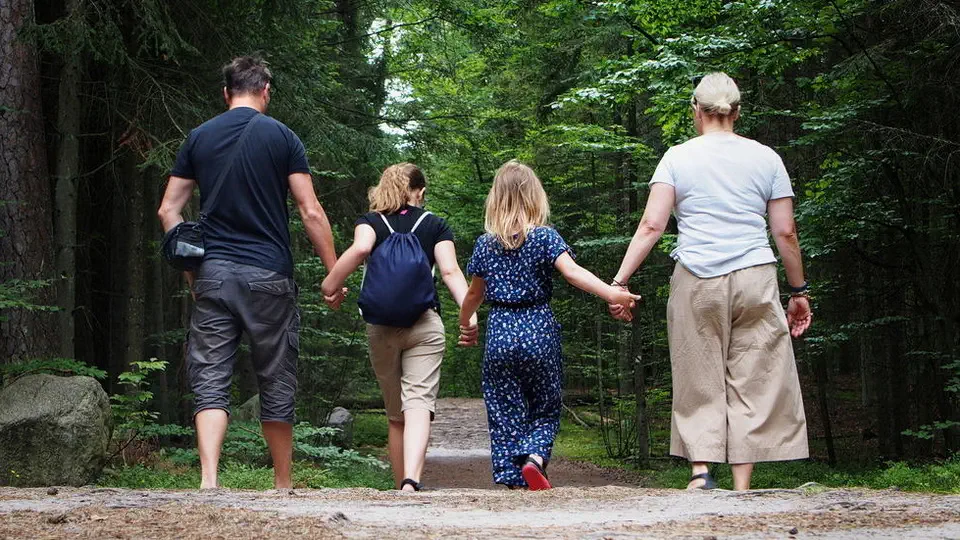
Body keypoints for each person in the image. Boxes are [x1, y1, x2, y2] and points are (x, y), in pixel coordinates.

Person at [608, 72, 812, 490]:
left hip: (698, 277)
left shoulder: (677, 157)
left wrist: (620, 282)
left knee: (696, 373)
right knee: (754, 376)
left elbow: (652, 225)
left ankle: (701, 473)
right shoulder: (767, 158)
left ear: (695, 111)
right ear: (736, 111)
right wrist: (798, 292)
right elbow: (786, 232)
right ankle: (741, 484)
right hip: (756, 276)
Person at [157, 56, 340, 489]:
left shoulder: (199, 138)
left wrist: (191, 268)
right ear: (265, 91)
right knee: (276, 375)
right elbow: (310, 211)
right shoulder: (283, 138)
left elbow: (169, 209)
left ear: (226, 93)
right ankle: (281, 484)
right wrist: (333, 273)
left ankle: (208, 480)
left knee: (211, 376)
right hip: (269, 275)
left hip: (214, 274)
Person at [458, 160, 639, 490]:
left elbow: (473, 294)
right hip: (538, 327)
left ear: (495, 199)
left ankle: (514, 478)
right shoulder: (544, 238)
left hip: (499, 330)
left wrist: (466, 323)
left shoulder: (486, 244)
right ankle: (535, 459)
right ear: (534, 197)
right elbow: (573, 273)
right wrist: (612, 293)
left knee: (504, 407)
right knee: (545, 404)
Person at [321, 163, 477, 492]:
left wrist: (330, 283)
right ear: (418, 191)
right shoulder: (435, 224)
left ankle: (398, 487)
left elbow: (361, 249)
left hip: (381, 327)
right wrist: (469, 315)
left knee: (395, 414)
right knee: (419, 402)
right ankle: (411, 482)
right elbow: (450, 272)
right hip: (424, 323)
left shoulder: (371, 222)